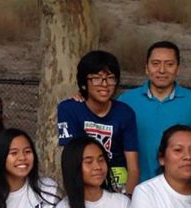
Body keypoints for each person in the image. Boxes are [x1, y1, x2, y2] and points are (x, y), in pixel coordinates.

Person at [118, 41, 191, 182]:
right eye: (155, 64)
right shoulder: (126, 101)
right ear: (146, 68)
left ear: (177, 69)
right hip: (135, 187)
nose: (162, 70)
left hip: (178, 190)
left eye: (169, 64)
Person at [57, 50, 139, 194]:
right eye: (96, 78)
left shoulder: (125, 113)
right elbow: (71, 159)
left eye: (111, 78)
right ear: (84, 82)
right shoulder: (69, 109)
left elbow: (133, 167)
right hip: (84, 182)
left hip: (118, 184)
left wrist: (128, 199)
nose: (104, 84)